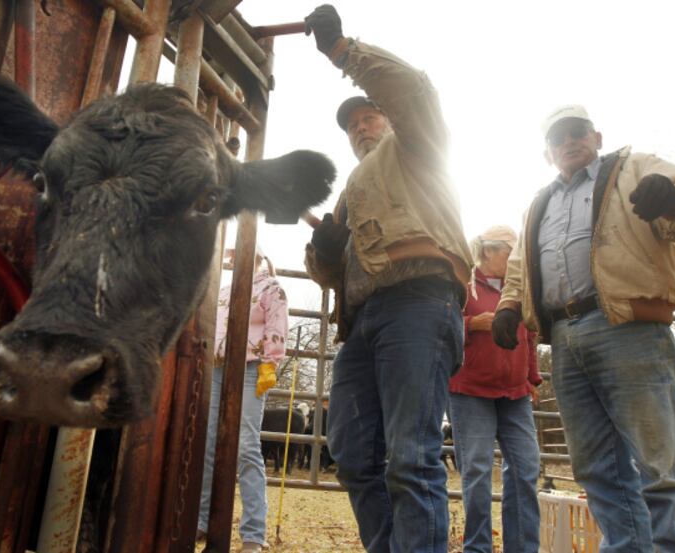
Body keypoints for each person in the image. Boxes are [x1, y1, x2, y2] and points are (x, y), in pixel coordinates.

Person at [492, 104, 675, 552]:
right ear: (548, 153)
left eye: (578, 132)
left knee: (661, 463)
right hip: (564, 339)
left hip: (628, 327)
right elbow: (521, 264)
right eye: (559, 138)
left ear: (597, 138)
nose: (569, 142)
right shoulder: (538, 202)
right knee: (597, 468)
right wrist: (508, 305)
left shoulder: (635, 168)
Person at [302, 5, 472, 552]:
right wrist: (324, 250)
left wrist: (343, 51)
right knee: (350, 453)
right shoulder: (353, 188)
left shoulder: (418, 144)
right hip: (364, 322)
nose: (359, 128)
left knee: (412, 455)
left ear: (389, 115)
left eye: (367, 116)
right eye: (352, 126)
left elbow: (414, 89)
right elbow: (337, 273)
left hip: (420, 302)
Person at [448, 225, 541, 553]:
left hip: (515, 393)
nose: (517, 259)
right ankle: (477, 547)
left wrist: (532, 378)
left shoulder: (519, 289)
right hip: (470, 390)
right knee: (477, 470)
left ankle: (523, 548)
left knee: (526, 468)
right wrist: (471, 324)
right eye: (510, 251)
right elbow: (442, 323)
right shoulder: (462, 283)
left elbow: (529, 334)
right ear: (488, 250)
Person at [197, 247, 288, 553]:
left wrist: (269, 362)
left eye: (239, 255)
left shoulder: (271, 287)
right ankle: (200, 520)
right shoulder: (224, 291)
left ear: (257, 257)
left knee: (246, 445)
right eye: (231, 257)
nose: (233, 261)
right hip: (219, 367)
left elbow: (277, 325)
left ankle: (253, 533)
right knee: (208, 440)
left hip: (251, 368)